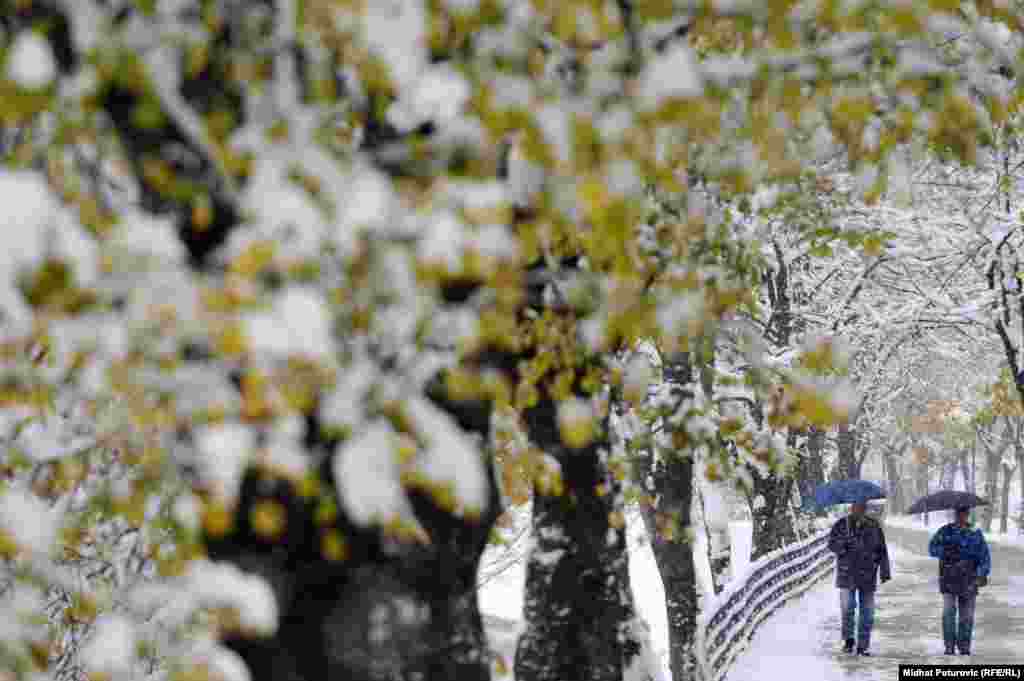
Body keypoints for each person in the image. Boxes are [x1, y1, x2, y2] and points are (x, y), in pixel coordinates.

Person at [827, 501, 892, 656]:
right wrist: (844, 545)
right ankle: (848, 639)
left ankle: (864, 645)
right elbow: (832, 545)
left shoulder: (873, 525)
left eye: (862, 507)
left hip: (867, 574)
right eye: (857, 506)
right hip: (847, 574)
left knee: (867, 613)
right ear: (852, 507)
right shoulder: (841, 525)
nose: (860, 509)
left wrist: (884, 571)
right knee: (847, 607)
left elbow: (881, 549)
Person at [928, 505, 991, 656]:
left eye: (964, 513)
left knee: (967, 616)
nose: (961, 516)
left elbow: (985, 557)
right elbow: (932, 548)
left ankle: (964, 647)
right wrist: (946, 551)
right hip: (948, 578)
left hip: (969, 580)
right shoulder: (945, 531)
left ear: (967, 515)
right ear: (955, 514)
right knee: (948, 613)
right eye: (958, 513)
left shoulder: (975, 534)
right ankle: (949, 646)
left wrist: (981, 574)